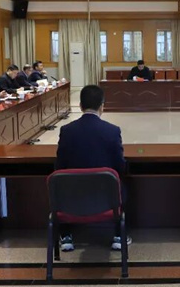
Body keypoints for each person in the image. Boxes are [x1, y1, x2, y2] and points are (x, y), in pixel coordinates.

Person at [55, 85, 128, 252]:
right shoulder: (112, 131)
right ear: (102, 106)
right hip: (106, 197)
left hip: (72, 197)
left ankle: (66, 236)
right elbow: (120, 166)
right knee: (122, 186)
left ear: (80, 106)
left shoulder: (67, 131)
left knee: (60, 185)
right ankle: (118, 235)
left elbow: (59, 165)